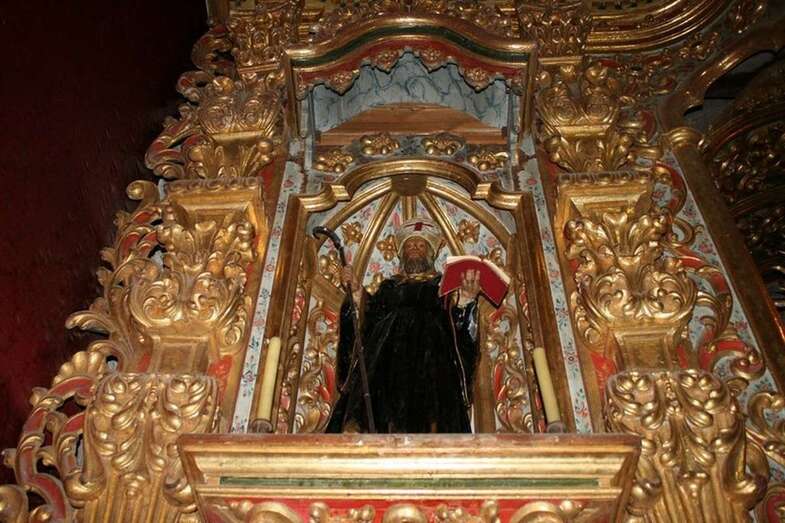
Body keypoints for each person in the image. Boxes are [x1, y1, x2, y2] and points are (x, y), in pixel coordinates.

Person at [326, 217, 481, 433]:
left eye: (420, 244)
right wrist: (356, 294)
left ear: (431, 252)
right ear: (401, 253)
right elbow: (365, 325)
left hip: (433, 371)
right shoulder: (388, 288)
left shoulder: (444, 288)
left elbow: (460, 336)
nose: (414, 248)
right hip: (384, 369)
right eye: (409, 245)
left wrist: (466, 301)